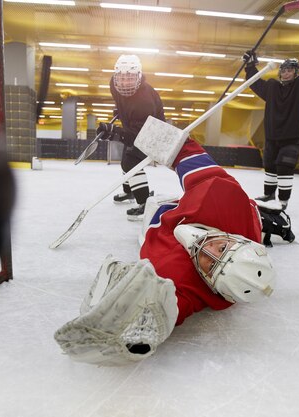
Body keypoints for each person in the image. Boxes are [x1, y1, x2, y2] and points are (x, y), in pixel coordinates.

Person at [54, 136, 276, 366]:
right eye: (221, 248)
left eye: (211, 265)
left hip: (160, 219)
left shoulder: (187, 280)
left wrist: (136, 331)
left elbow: (170, 307)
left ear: (212, 285)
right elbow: (191, 158)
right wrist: (161, 138)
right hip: (219, 210)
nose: (206, 250)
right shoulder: (222, 197)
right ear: (237, 239)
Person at [243, 30, 299, 210]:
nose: (285, 72)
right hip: (272, 138)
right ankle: (268, 195)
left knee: (284, 167)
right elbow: (254, 82)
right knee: (269, 166)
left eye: (290, 70)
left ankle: (283, 201)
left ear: (296, 72)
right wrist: (250, 65)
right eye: (283, 69)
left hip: (291, 139)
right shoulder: (272, 87)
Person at [95, 54, 165, 221]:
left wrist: (114, 131)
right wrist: (120, 111)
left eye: (130, 78)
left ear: (139, 76)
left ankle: (144, 203)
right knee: (125, 159)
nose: (125, 82)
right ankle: (129, 192)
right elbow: (122, 101)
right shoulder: (113, 84)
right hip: (133, 126)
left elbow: (137, 136)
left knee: (131, 162)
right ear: (116, 75)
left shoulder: (144, 102)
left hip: (152, 131)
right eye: (122, 78)